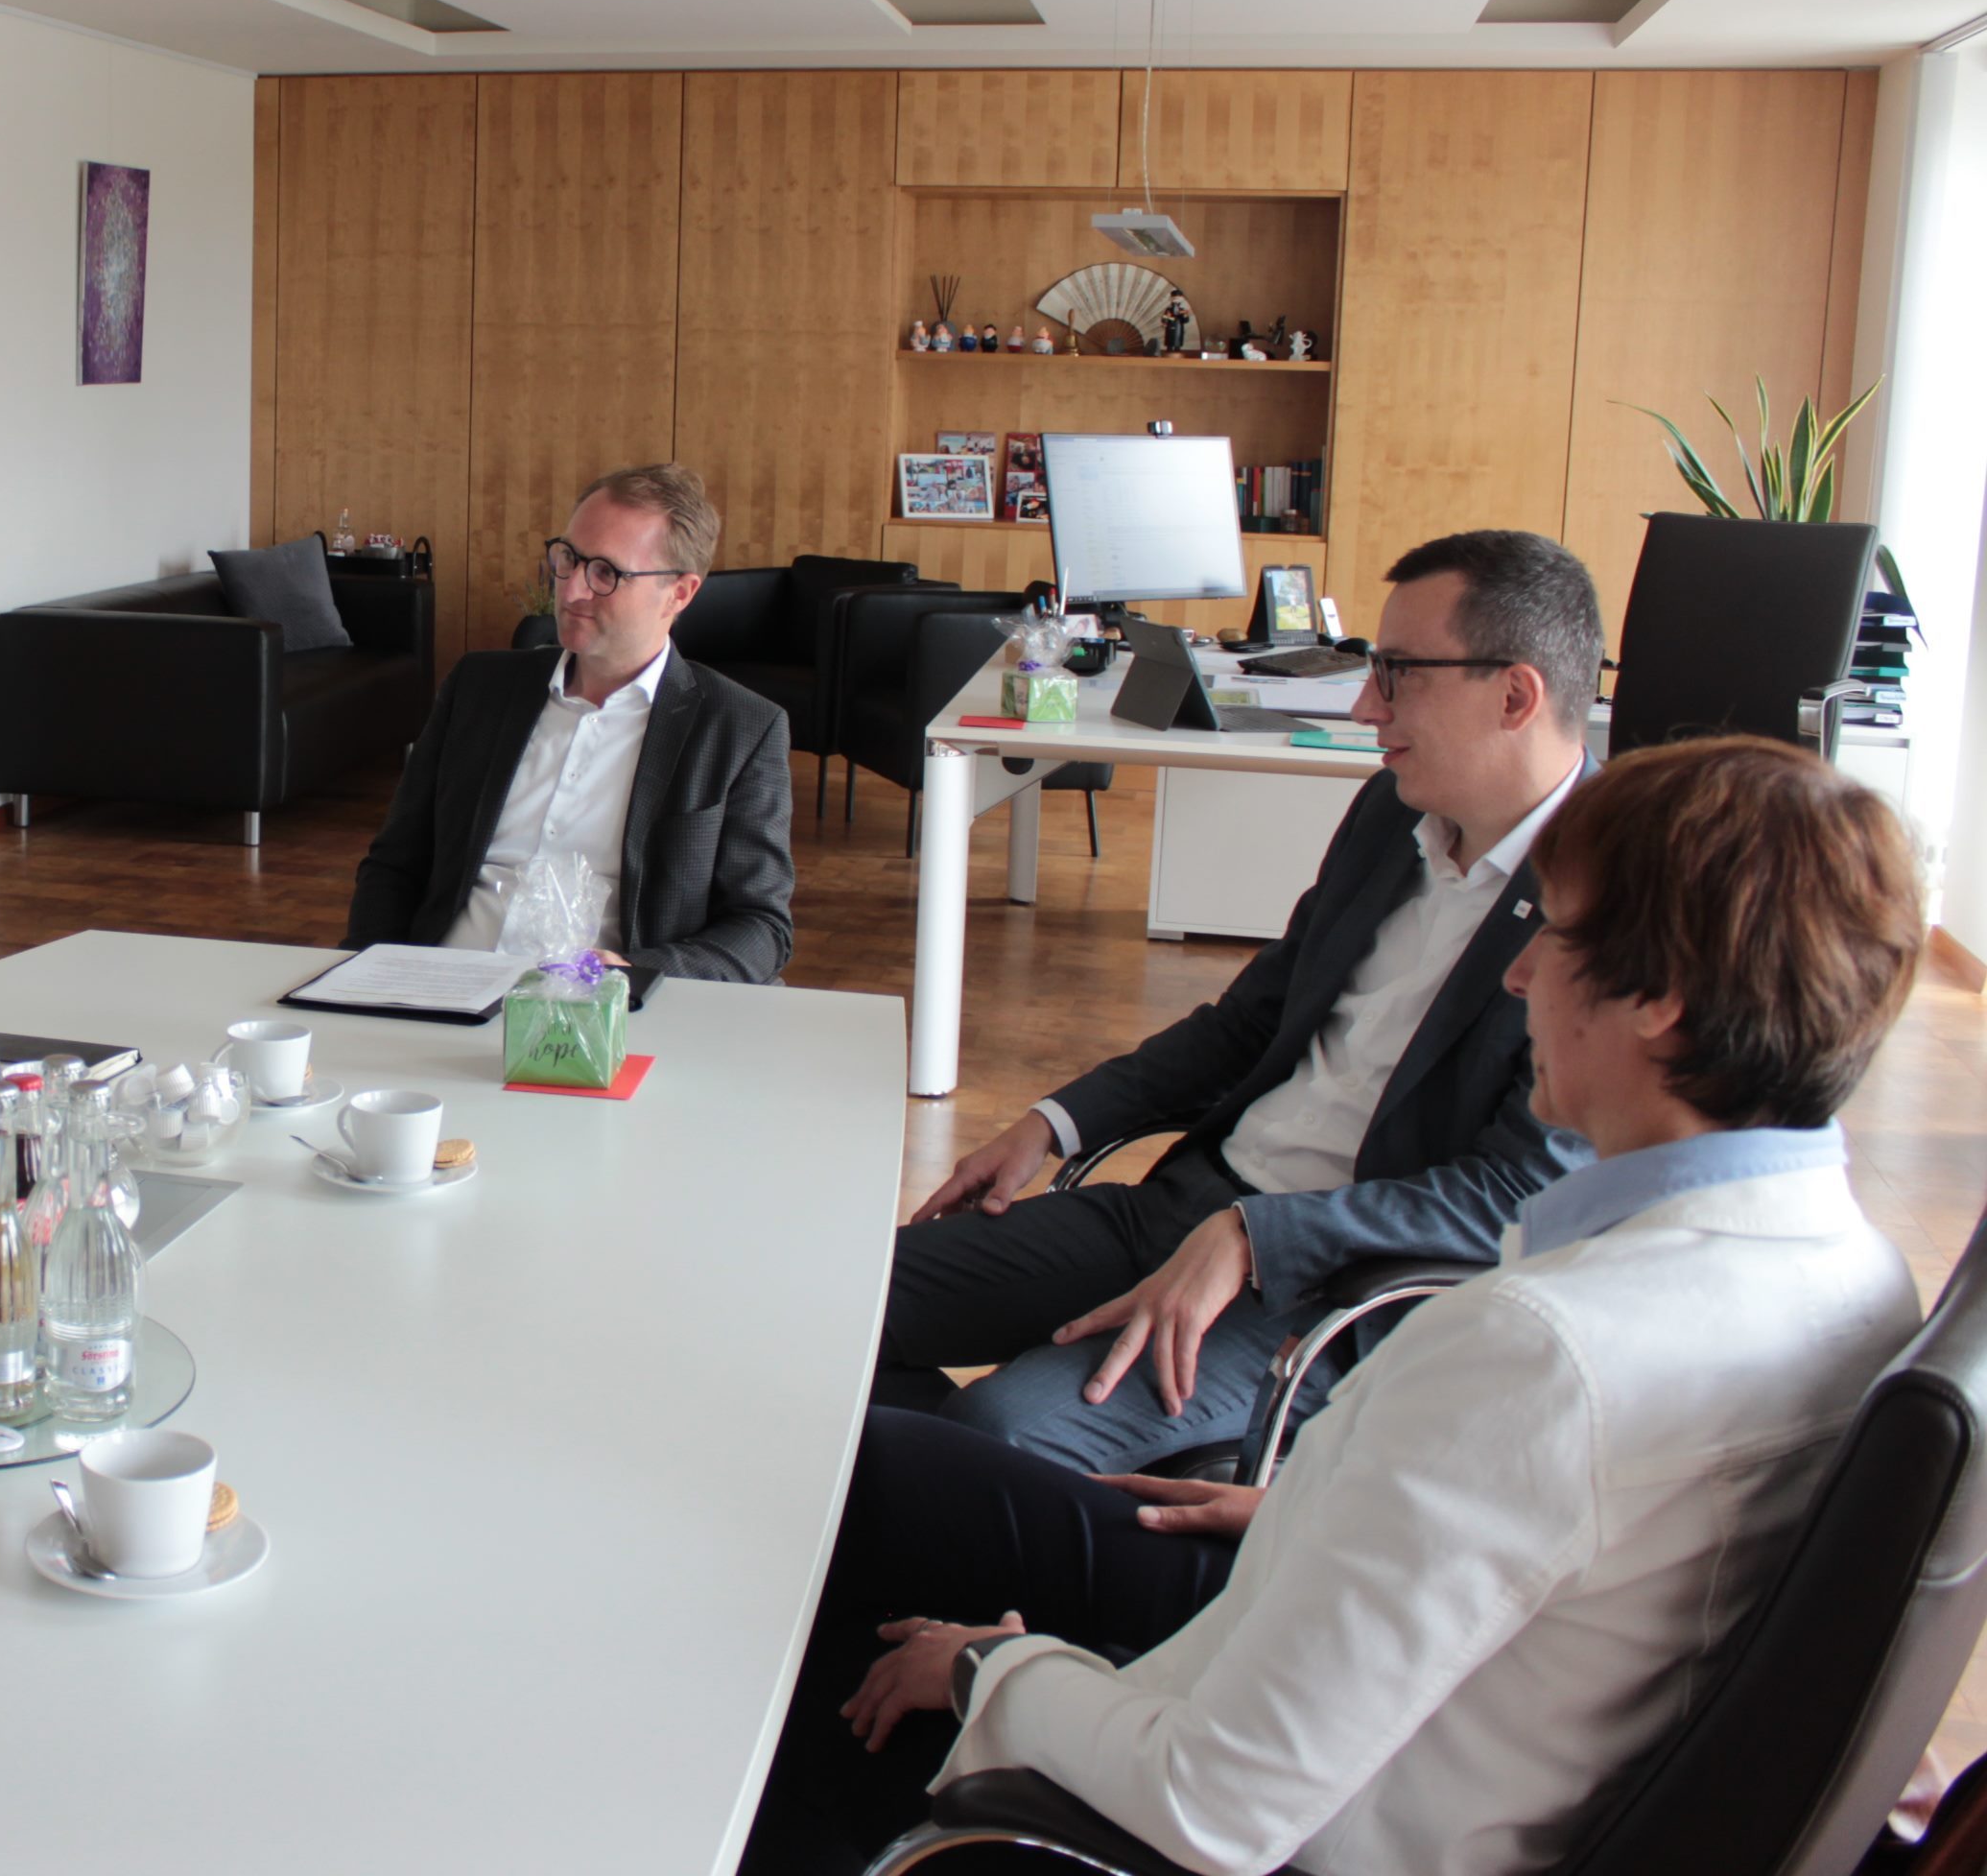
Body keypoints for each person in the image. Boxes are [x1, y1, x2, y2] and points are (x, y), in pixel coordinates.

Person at [746, 734, 1927, 1876]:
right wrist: (1310, 1505)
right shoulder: (1858, 1274)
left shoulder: (1539, 1353)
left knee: (831, 1644)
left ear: (1659, 1000)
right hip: (1380, 1659)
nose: (1518, 974)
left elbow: (1214, 1800)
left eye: (1553, 939)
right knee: (873, 1474)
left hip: (1298, 1806)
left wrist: (989, 1675)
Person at [878, 530, 1601, 1471]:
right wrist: (1055, 1123)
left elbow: (1519, 1191)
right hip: (1183, 1209)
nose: (1364, 703)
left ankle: (977, 1555)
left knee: (998, 1437)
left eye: (1398, 675)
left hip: (1322, 1283)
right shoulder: (1393, 815)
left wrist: (1262, 1239)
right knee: (843, 1297)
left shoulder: (1614, 895)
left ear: (1515, 695)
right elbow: (1251, 1021)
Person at [343, 463, 793, 986]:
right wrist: (361, 976)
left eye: (607, 572)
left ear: (680, 593)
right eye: (570, 558)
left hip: (596, 1021)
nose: (573, 588)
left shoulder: (740, 728)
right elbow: (395, 863)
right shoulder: (479, 687)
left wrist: (639, 974)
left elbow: (762, 927)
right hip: (440, 987)